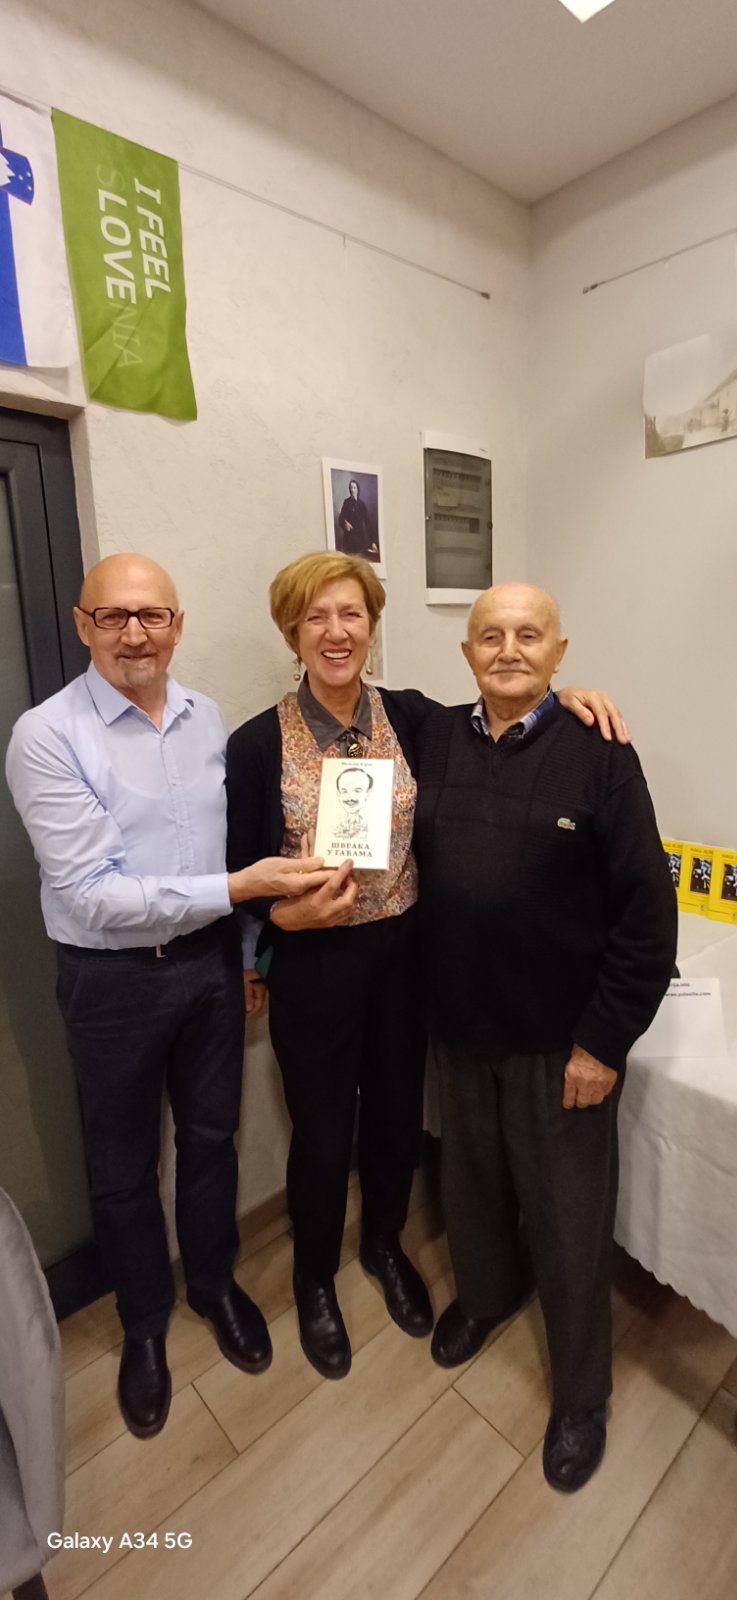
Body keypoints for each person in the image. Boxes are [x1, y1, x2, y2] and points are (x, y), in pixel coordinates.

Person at [225, 551, 627, 1382]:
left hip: (405, 957)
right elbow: (234, 872)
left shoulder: (413, 718)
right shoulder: (257, 743)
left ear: (373, 628)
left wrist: (568, 698)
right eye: (315, 617)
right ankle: (313, 1280)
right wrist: (276, 920)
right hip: (314, 966)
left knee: (395, 1118)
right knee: (320, 1130)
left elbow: (506, 712)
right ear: (292, 634)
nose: (336, 632)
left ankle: (382, 1244)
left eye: (352, 614)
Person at [5, 553, 330, 1441]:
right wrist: (242, 889)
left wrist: (246, 951)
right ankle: (144, 1324)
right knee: (121, 1168)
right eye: (113, 616)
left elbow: (220, 844)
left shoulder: (205, 718)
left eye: (152, 615)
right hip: (110, 980)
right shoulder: (47, 735)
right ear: (84, 626)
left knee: (212, 1139)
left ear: (177, 626)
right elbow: (89, 895)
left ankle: (213, 1285)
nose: (134, 634)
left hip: (211, 967)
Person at [412, 582, 677, 1493]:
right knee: (471, 1188)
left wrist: (603, 1044)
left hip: (561, 1046)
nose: (508, 649)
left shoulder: (601, 755)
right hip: (459, 1029)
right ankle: (485, 1297)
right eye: (490, 635)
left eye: (529, 635)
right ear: (466, 653)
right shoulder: (432, 736)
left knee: (568, 1223)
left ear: (560, 654)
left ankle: (579, 1394)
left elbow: (647, 920)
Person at [337, 479, 378, 560]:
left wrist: (373, 542)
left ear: (358, 489)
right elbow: (341, 518)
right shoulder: (346, 502)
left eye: (354, 488)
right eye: (350, 488)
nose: (352, 490)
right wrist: (344, 523)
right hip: (348, 539)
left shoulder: (362, 505)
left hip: (359, 540)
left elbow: (368, 524)